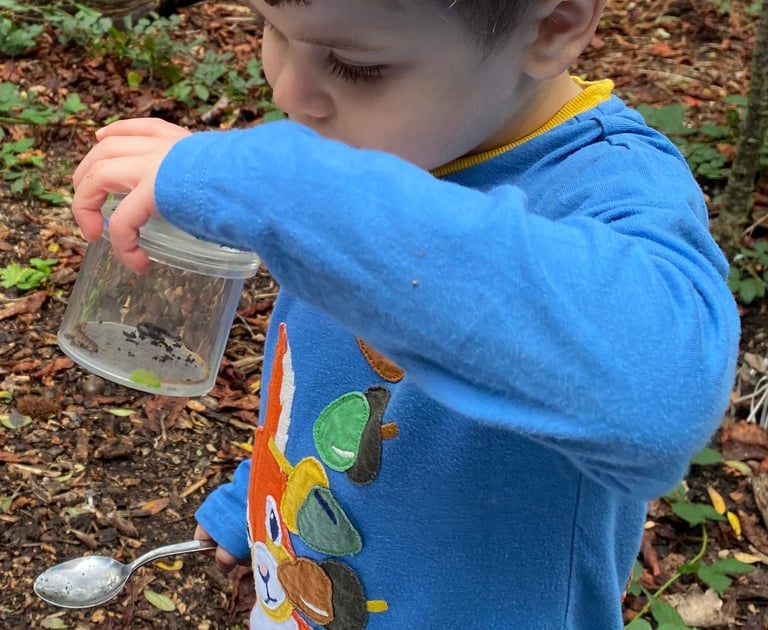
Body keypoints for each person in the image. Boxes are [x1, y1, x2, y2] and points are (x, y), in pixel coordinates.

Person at [70, 0, 740, 627]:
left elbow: (662, 397)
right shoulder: (368, 158)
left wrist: (280, 182)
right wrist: (252, 501)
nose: (286, 92)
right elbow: (330, 385)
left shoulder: (607, 190)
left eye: (358, 65)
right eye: (268, 26)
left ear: (554, 24)